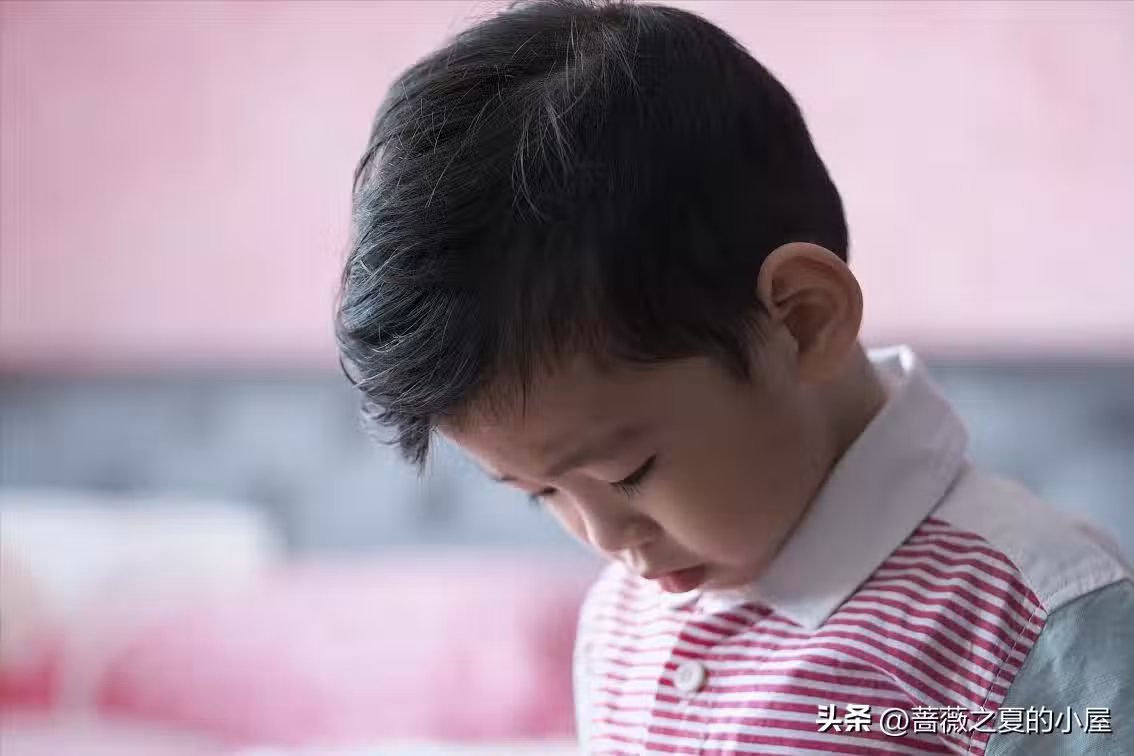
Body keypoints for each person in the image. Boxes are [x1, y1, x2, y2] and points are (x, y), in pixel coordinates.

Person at [335, 1, 1133, 753]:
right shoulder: (623, 619)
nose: (606, 541)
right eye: (540, 492)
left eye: (626, 472)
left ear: (802, 320)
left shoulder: (1035, 619)